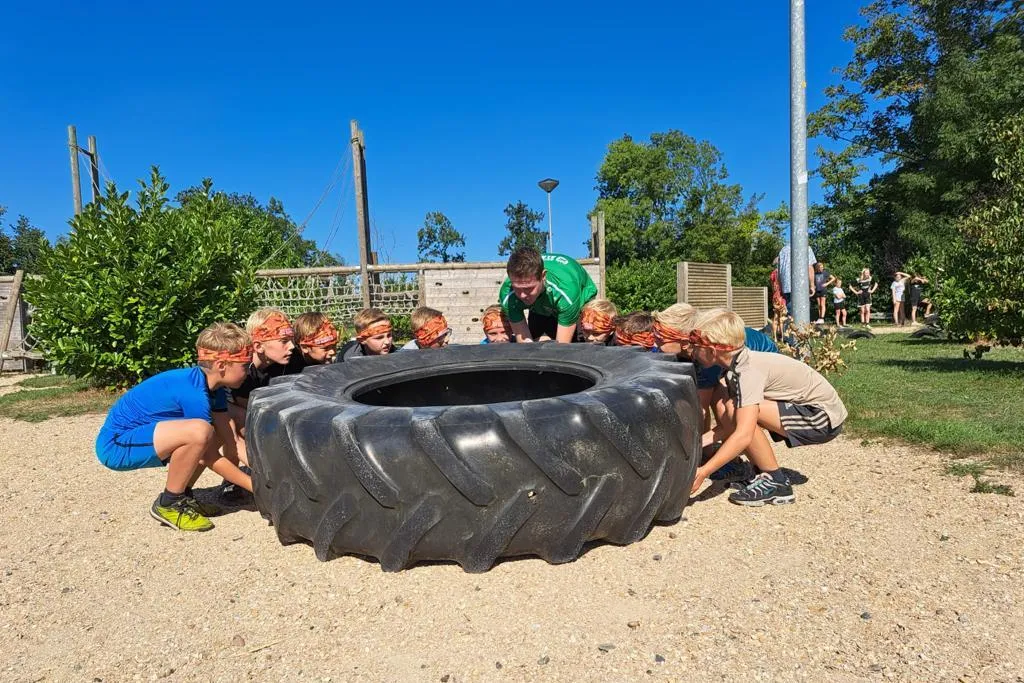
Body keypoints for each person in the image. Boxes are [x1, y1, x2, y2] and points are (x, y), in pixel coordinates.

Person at [95, 322, 254, 531]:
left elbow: (231, 440)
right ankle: (169, 503)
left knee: (212, 434)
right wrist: (255, 487)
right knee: (201, 433)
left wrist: (263, 474)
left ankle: (184, 495)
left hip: (140, 437)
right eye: (245, 365)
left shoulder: (213, 389)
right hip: (117, 446)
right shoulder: (193, 393)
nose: (249, 371)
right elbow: (208, 456)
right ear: (222, 365)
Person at [687, 309, 848, 506]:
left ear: (713, 350)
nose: (691, 350)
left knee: (741, 413)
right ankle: (762, 474)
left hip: (823, 418)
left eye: (695, 345)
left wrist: (704, 471)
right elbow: (730, 426)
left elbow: (743, 434)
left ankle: (776, 482)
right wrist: (695, 444)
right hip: (811, 411)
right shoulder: (736, 368)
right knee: (734, 410)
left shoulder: (748, 372)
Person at [498, 247, 598, 343]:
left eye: (529, 288)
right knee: (534, 342)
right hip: (541, 301)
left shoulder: (566, 292)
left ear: (543, 276)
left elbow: (561, 347)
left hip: (577, 295)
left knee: (577, 342)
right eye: (517, 288)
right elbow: (525, 343)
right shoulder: (507, 294)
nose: (522, 295)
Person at [776, 242, 816, 315]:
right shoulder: (805, 248)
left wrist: (780, 288)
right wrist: (812, 285)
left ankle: (791, 325)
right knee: (802, 315)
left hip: (786, 287)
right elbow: (809, 267)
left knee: (790, 315)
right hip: (801, 286)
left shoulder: (783, 250)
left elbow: (779, 271)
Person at [769, 260, 787, 340]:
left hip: (775, 296)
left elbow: (772, 287)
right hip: (781, 296)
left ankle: (775, 338)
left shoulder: (773, 274)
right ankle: (783, 337)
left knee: (775, 317)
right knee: (782, 318)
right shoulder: (782, 273)